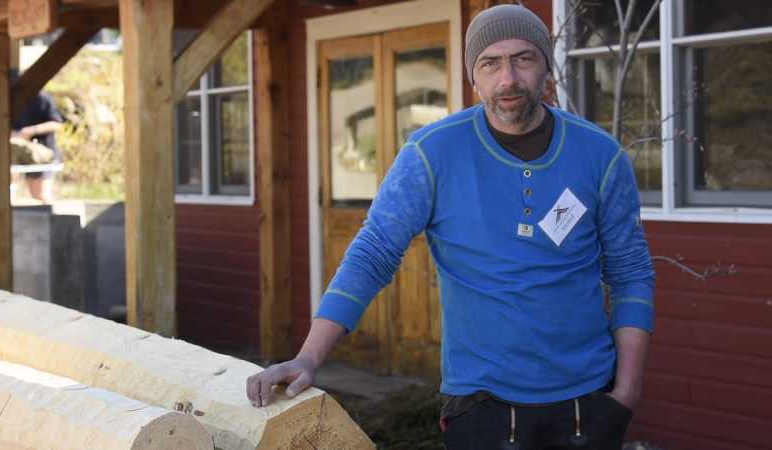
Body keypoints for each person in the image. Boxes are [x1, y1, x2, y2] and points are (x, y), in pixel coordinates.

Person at [246, 5, 654, 450]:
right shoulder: (433, 153)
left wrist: (626, 394)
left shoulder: (599, 155)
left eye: (523, 58)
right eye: (490, 63)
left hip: (586, 403)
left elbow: (631, 272)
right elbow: (373, 253)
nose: (508, 78)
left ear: (546, 68)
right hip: (481, 406)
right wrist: (309, 357)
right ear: (472, 77)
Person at [12, 91, 64, 203]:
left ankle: (53, 213)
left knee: (40, 194)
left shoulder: (41, 97)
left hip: (42, 155)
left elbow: (57, 123)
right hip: (18, 153)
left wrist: (31, 131)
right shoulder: (10, 99)